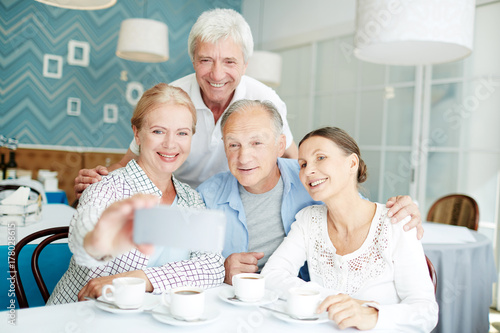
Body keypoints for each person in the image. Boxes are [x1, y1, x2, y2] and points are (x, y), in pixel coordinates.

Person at [74, 8, 297, 197]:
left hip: (237, 202)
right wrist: (97, 178)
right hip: (179, 201)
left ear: (245, 64)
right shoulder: (172, 98)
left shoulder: (265, 100)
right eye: (206, 60)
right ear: (193, 61)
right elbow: (130, 162)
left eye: (229, 61)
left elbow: (293, 159)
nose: (217, 75)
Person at [196, 100, 424, 285]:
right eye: (233, 145)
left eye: (256, 143)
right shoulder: (206, 196)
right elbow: (183, 264)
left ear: (279, 145)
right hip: (234, 302)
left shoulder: (310, 177)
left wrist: (403, 210)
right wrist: (219, 271)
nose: (244, 157)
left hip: (296, 305)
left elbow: (357, 210)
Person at [47, 83, 224, 305]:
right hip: (82, 317)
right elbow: (86, 243)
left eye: (182, 133)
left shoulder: (191, 199)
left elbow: (213, 267)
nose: (170, 144)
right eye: (158, 131)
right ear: (137, 134)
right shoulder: (108, 186)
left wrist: (141, 278)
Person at [261, 127, 438, 331]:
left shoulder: (396, 222)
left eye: (320, 157)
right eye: (303, 164)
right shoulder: (308, 220)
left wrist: (371, 314)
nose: (308, 170)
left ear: (352, 163)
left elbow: (426, 312)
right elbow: (271, 275)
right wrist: (334, 300)